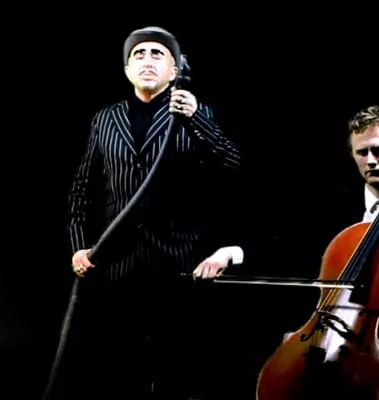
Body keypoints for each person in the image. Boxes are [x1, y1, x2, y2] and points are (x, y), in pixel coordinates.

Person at [197, 104, 379, 398]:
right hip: (324, 332)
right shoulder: (338, 204)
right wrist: (230, 253)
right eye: (362, 153)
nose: (370, 161)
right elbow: (288, 244)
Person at [57, 26, 242, 400]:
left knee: (175, 370)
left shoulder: (195, 114)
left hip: (177, 262)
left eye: (158, 53)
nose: (147, 60)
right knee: (120, 372)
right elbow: (81, 190)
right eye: (138, 54)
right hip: (117, 266)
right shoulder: (105, 119)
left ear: (176, 69)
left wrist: (196, 118)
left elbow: (232, 166)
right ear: (127, 69)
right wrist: (79, 247)